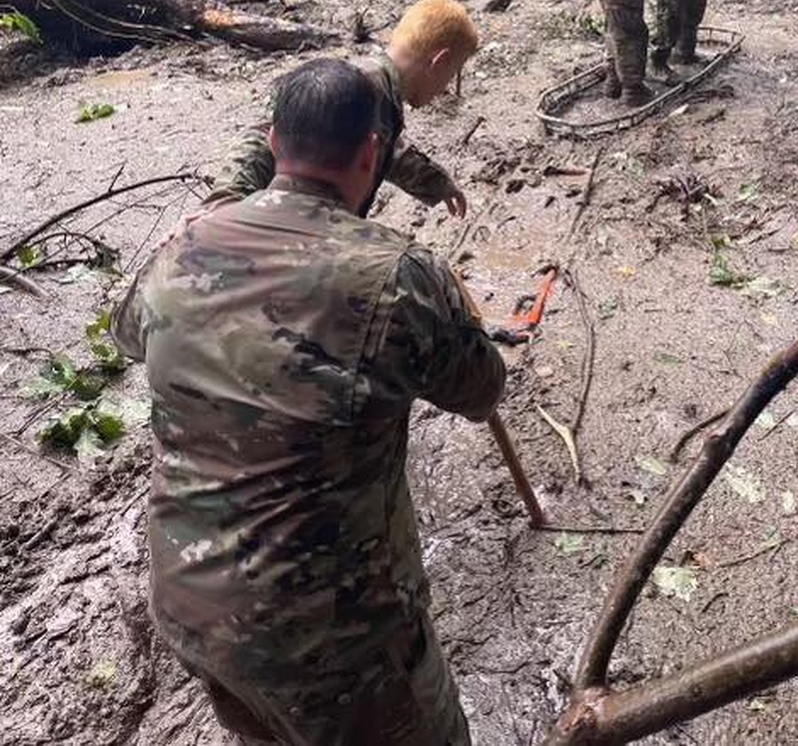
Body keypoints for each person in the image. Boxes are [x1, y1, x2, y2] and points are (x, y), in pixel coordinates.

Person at [110, 57, 506, 746]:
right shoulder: (397, 274)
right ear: (370, 153)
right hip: (336, 639)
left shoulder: (184, 247)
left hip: (192, 610)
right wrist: (455, 308)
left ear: (271, 143)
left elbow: (127, 335)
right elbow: (483, 389)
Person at [206, 0, 478, 218]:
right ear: (439, 61)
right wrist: (222, 205)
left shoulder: (381, 91)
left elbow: (389, 151)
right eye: (451, 75)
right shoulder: (359, 84)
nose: (445, 89)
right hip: (286, 228)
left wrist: (437, 184)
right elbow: (262, 135)